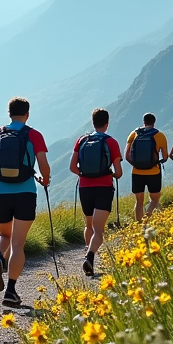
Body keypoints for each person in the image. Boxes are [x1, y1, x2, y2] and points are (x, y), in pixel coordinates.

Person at [0, 97, 51, 308]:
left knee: (4, 235)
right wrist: (45, 180)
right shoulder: (34, 135)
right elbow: (43, 165)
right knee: (18, 244)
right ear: (27, 114)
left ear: (9, 113)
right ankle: (10, 291)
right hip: (25, 192)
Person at [70, 108, 122, 276]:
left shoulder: (81, 140)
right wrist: (110, 174)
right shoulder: (111, 142)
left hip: (85, 188)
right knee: (98, 230)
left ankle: (88, 255)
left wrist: (84, 174)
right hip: (103, 188)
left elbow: (72, 167)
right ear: (107, 124)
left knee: (89, 225)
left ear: (93, 123)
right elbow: (119, 172)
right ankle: (90, 256)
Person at [124, 113, 168, 221]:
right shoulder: (160, 135)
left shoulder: (134, 134)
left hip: (137, 173)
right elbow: (165, 156)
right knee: (155, 199)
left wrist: (137, 165)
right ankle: (146, 218)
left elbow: (127, 156)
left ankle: (138, 225)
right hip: (154, 172)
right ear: (154, 122)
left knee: (139, 201)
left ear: (143, 121)